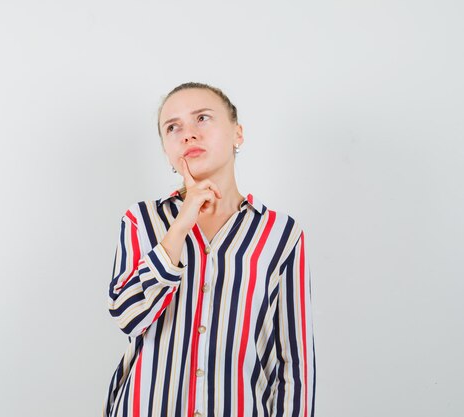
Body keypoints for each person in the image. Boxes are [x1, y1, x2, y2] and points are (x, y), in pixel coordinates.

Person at [103, 82, 316, 417]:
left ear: (237, 134)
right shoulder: (142, 220)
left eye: (202, 118)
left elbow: (294, 361)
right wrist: (181, 225)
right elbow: (127, 317)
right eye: (173, 127)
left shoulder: (281, 233)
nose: (188, 134)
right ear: (166, 150)